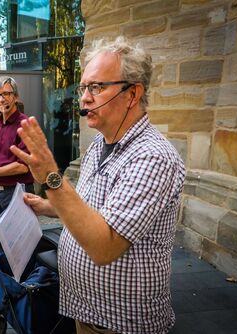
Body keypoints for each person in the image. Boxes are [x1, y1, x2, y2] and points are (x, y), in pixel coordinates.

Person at [10, 37, 186, 333]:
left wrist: (52, 178)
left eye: (97, 87)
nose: (84, 98)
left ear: (132, 94)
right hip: (86, 310)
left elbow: (104, 246)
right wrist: (49, 207)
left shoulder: (153, 156)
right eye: (84, 88)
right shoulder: (100, 144)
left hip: (121, 322)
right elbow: (91, 207)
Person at [0, 76, 35, 301]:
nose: (1, 98)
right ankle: (5, 287)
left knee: (20, 242)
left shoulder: (25, 125)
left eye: (6, 94)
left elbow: (23, 165)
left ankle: (23, 288)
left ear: (15, 96)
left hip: (18, 191)